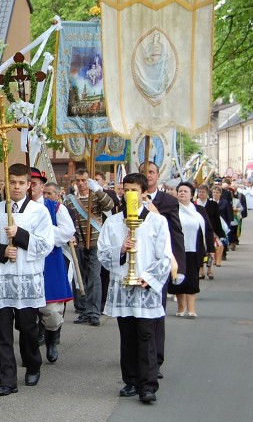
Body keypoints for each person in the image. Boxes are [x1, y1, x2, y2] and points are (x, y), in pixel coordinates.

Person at [0, 163, 54, 396]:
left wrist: (19, 235)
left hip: (26, 279)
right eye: (13, 183)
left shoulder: (39, 212)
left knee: (28, 329)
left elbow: (45, 244)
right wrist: (1, 251)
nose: (17, 187)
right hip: (2, 280)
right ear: (6, 184)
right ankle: (7, 379)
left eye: (21, 183)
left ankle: (32, 363)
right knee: (1, 331)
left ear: (29, 184)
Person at [98, 173, 172, 404]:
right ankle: (130, 380)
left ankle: (148, 385)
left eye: (134, 190)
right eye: (125, 189)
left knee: (146, 336)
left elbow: (165, 257)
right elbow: (102, 254)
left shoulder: (157, 222)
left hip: (146, 288)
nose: (129, 194)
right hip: (123, 286)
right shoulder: (112, 222)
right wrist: (120, 250)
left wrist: (149, 278)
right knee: (128, 336)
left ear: (143, 194)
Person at [139, 161, 185, 378]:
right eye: (144, 172)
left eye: (151, 172)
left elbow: (176, 233)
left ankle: (155, 359)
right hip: (137, 263)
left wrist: (179, 266)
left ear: (158, 175)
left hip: (158, 265)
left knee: (156, 314)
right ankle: (138, 356)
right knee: (135, 315)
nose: (147, 176)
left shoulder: (167, 201)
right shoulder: (131, 197)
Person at [32, 174, 75, 364]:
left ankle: (52, 339)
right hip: (27, 261)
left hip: (50, 260)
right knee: (27, 309)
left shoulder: (55, 207)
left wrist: (44, 233)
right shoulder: (16, 209)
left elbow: (67, 231)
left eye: (33, 184)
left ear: (41, 186)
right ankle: (31, 349)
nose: (30, 188)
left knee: (53, 309)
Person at [67, 168, 115, 326]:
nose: (81, 184)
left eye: (84, 180)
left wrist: (98, 190)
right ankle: (83, 311)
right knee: (80, 278)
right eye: (78, 180)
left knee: (94, 277)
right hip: (78, 243)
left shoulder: (96, 198)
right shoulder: (69, 200)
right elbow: (66, 221)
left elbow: (109, 205)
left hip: (95, 243)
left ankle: (94, 312)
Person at [170, 182, 213, 318]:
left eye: (185, 191)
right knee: (178, 280)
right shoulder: (172, 209)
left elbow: (208, 230)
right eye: (180, 191)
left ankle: (192, 308)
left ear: (191, 195)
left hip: (194, 250)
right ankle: (181, 306)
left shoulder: (199, 210)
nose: (182, 193)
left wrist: (210, 248)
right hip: (177, 251)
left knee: (193, 280)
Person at [195, 185, 223, 279]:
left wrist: (220, 233)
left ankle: (209, 269)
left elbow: (217, 219)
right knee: (200, 250)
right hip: (198, 231)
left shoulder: (213, 204)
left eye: (203, 192)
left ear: (207, 193)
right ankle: (201, 269)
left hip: (210, 230)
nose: (201, 194)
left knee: (210, 250)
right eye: (199, 192)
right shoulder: (194, 204)